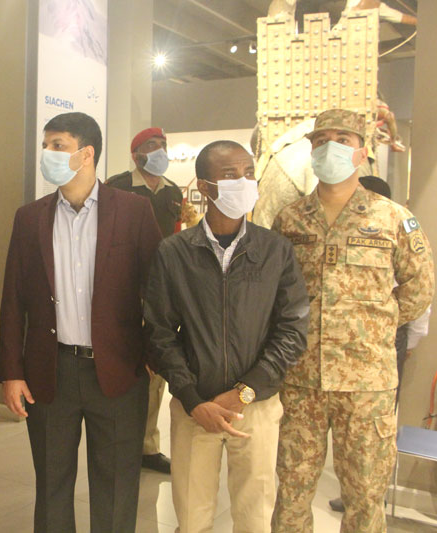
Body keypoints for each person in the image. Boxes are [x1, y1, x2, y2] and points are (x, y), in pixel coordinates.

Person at [270, 109, 435, 533]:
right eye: (321, 140)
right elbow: (274, 291)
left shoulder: (392, 218)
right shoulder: (289, 219)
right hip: (301, 379)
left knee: (364, 497)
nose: (331, 147)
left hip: (366, 383)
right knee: (291, 492)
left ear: (362, 152)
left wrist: (373, 324)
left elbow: (419, 288)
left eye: (342, 139)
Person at [0, 111, 161, 532]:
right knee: (52, 483)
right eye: (45, 145)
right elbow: (13, 300)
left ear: (86, 154)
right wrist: (11, 372)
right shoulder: (30, 217)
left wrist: (151, 356)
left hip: (119, 370)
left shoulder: (133, 211)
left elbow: (158, 291)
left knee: (116, 484)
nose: (47, 154)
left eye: (58, 145)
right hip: (50, 370)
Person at [143, 140, 309, 532]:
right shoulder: (174, 252)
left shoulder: (275, 250)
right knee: (192, 515)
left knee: (254, 516)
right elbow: (159, 333)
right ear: (204, 187)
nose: (244, 182)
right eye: (231, 175)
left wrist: (245, 391)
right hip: (195, 407)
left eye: (249, 173)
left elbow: (292, 329)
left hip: (256, 407)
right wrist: (191, 398)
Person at [327, 175, 432, 514]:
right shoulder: (310, 221)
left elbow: (419, 293)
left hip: (377, 352)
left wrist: (380, 323)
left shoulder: (397, 222)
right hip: (321, 357)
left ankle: (369, 492)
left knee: (371, 442)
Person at [106, 127, 183, 474]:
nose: (160, 151)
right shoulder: (118, 186)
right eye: (152, 145)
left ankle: (147, 446)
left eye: (163, 145)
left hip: (161, 289)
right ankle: (116, 443)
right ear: (136, 154)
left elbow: (177, 238)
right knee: (121, 367)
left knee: (156, 369)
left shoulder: (173, 192)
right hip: (122, 290)